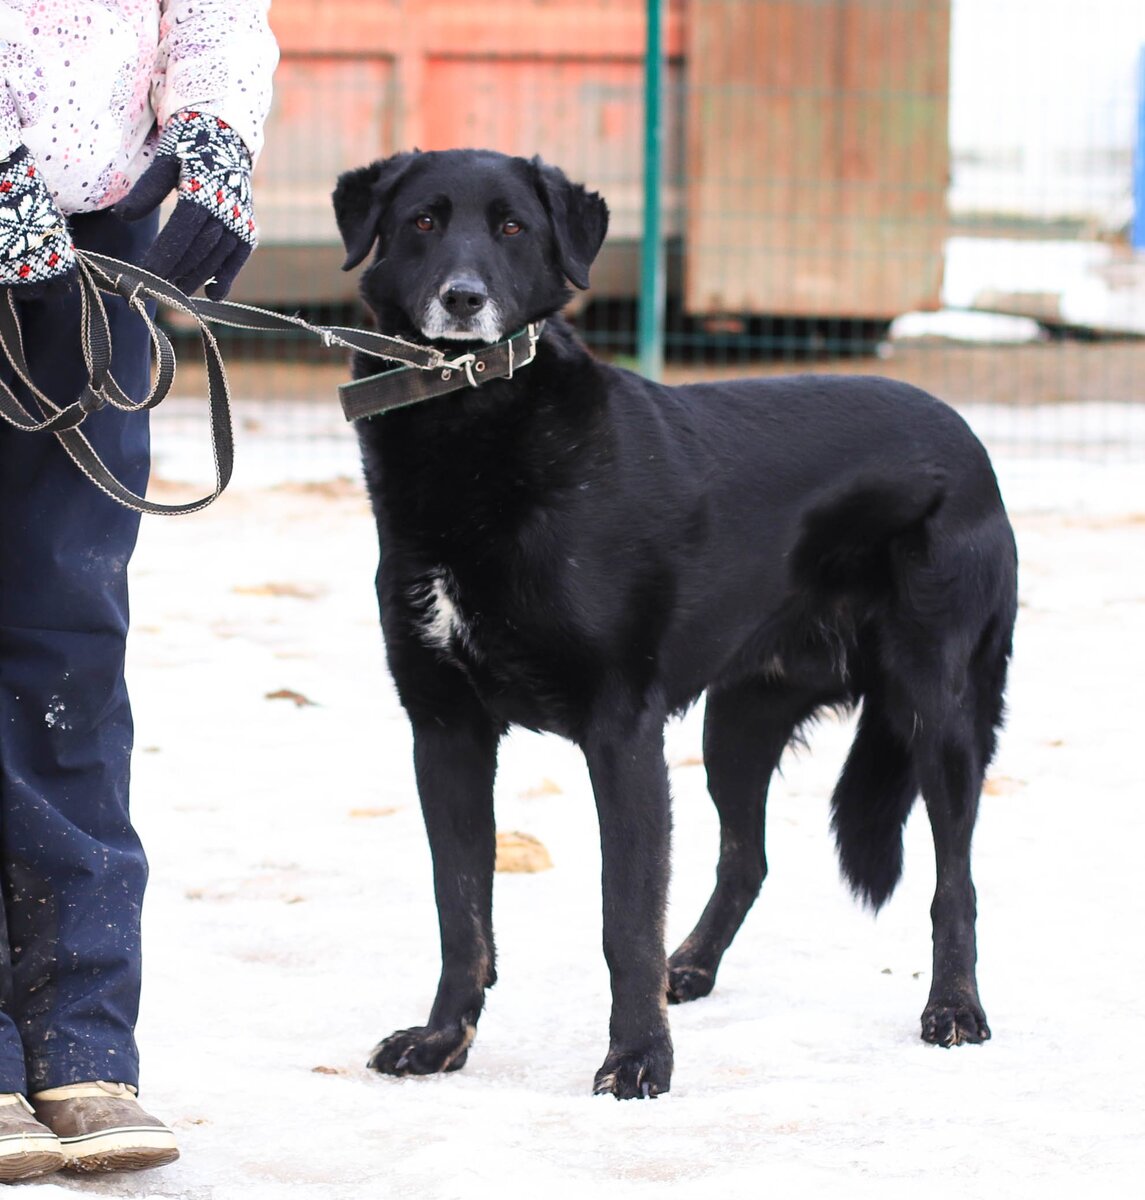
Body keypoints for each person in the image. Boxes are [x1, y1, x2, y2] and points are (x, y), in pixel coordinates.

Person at [0, 2, 277, 1181]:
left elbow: (211, 21)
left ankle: (80, 1046)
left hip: (92, 257)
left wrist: (214, 146)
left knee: (69, 650)